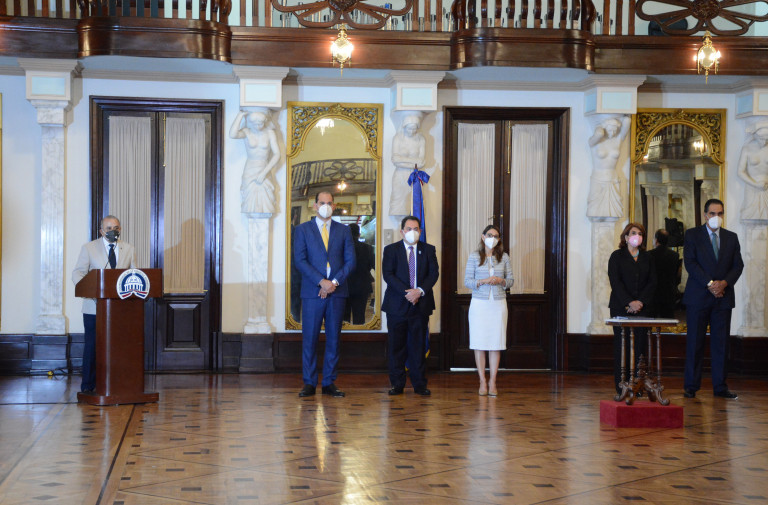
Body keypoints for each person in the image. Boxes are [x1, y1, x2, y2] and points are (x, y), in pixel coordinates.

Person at [293, 191, 356, 398]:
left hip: (337, 293)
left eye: (329, 203)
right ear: (315, 205)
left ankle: (329, 382)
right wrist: (321, 282)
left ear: (334, 206)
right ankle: (309, 383)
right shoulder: (302, 230)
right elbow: (300, 261)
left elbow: (351, 262)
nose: (326, 206)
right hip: (312, 292)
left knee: (334, 339)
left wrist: (333, 283)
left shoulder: (344, 230)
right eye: (322, 202)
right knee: (310, 338)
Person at [682, 199, 744, 399]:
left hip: (723, 298)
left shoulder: (731, 237)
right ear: (705, 215)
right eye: (712, 213)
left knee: (721, 344)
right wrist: (710, 284)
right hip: (698, 297)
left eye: (720, 213)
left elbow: (738, 266)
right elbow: (690, 263)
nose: (716, 217)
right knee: (695, 343)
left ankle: (720, 387)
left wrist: (723, 284)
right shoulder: (692, 235)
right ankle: (691, 386)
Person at [71, 215, 136, 394]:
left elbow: (134, 274)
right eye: (108, 228)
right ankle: (88, 385)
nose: (112, 231)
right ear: (101, 231)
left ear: (120, 229)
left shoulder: (129, 249)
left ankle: (118, 383)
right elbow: (78, 273)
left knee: (119, 346)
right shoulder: (89, 248)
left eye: (116, 228)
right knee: (92, 346)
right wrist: (88, 290)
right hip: (94, 307)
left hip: (120, 308)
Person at [381, 216, 439, 396]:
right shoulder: (391, 250)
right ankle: (397, 384)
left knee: (418, 346)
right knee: (396, 346)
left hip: (420, 305)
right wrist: (408, 293)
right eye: (408, 229)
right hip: (396, 305)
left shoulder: (428, 249)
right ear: (402, 231)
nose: (412, 232)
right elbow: (388, 274)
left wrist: (419, 291)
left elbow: (433, 274)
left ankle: (419, 384)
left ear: (420, 231)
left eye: (415, 229)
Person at [464, 225, 514, 397]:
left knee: (495, 343)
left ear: (499, 240)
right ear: (483, 237)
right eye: (490, 235)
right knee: (479, 343)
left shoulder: (504, 257)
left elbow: (511, 281)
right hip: (479, 304)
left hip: (498, 304)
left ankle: (493, 381)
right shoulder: (474, 256)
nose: (493, 238)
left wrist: (501, 281)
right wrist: (483, 281)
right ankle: (482, 381)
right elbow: (467, 281)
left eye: (496, 236)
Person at [608, 222, 657, 394]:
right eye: (634, 233)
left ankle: (638, 385)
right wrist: (629, 302)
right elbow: (615, 282)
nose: (637, 236)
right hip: (620, 307)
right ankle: (621, 385)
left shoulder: (648, 257)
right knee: (622, 346)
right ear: (626, 236)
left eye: (641, 233)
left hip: (643, 308)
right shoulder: (617, 256)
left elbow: (652, 282)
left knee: (640, 347)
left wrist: (640, 302)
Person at [229, 109, 281, 214]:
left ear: (265, 121)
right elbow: (233, 134)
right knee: (249, 198)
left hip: (264, 167)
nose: (258, 126)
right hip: (250, 168)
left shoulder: (270, 133)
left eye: (260, 123)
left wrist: (264, 173)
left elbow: (277, 154)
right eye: (255, 124)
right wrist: (240, 116)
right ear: (251, 123)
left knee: (267, 198)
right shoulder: (246, 132)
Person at [587, 115, 630, 218]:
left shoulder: (618, 139)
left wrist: (624, 111)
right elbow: (599, 134)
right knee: (594, 213)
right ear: (604, 129)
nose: (613, 133)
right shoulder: (595, 141)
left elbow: (627, 120)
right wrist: (599, 127)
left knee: (614, 215)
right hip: (598, 179)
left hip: (613, 180)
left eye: (615, 130)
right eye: (610, 130)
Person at [390, 113, 426, 216]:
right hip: (400, 174)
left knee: (413, 203)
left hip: (414, 176)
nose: (412, 131)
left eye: (414, 129)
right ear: (404, 127)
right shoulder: (398, 138)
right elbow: (395, 159)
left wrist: (402, 160)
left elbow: (422, 162)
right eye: (409, 129)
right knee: (398, 200)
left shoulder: (421, 139)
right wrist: (414, 162)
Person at [344, 223, 375, 325]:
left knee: (344, 317)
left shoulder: (341, 248)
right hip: (362, 286)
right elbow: (375, 265)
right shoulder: (368, 248)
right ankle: (358, 333)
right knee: (359, 316)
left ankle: (345, 334)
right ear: (359, 234)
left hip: (344, 285)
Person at [736, 122, 768, 220]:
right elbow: (740, 171)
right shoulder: (747, 148)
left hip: (766, 187)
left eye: (767, 139)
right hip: (752, 187)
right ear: (756, 136)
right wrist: (755, 184)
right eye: (762, 139)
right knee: (749, 217)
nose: (764, 142)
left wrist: (765, 183)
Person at [648, 229, 681, 318]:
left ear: (656, 240)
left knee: (652, 320)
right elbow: (676, 275)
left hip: (653, 294)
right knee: (668, 320)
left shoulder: (649, 255)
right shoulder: (675, 255)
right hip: (669, 293)